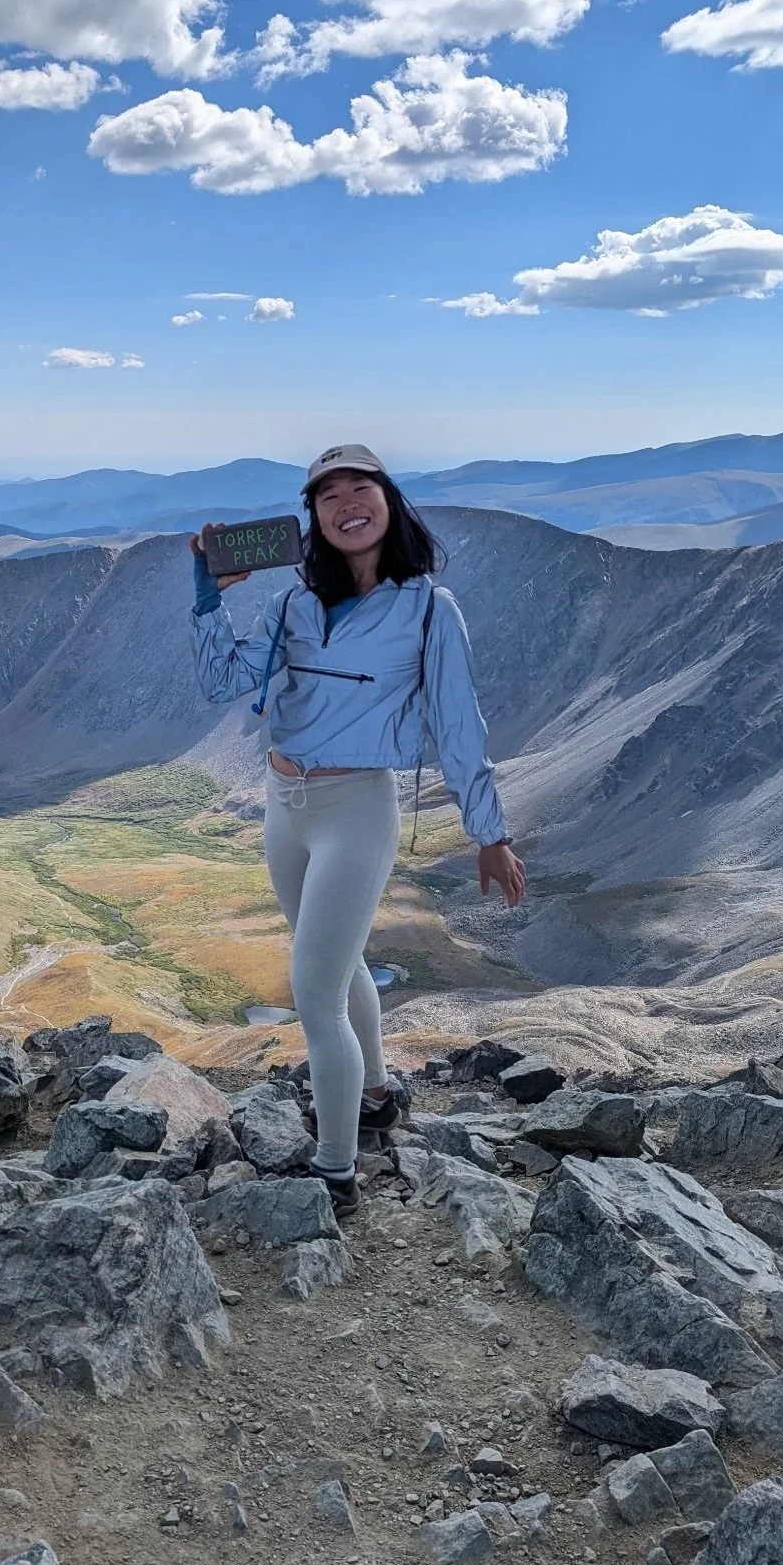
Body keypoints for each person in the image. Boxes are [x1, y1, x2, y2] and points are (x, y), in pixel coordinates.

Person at [189, 442, 525, 1217]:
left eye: (360, 486)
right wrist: (208, 599)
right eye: (327, 493)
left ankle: (335, 1174)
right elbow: (222, 682)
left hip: (358, 811)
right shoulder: (290, 607)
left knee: (313, 992)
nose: (346, 502)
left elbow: (457, 723)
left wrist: (489, 831)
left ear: (388, 501)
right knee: (341, 969)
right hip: (284, 804)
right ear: (311, 516)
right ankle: (374, 1095)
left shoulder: (428, 610)